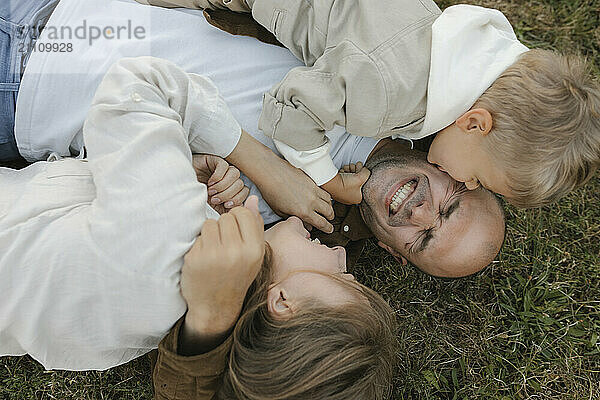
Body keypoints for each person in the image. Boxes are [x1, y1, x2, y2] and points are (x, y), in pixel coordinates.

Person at [2, 0, 505, 277]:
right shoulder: (405, 85)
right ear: (454, 172)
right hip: (61, 11)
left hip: (21, 102)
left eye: (422, 240)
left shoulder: (285, 232)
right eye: (450, 206)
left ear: (396, 253)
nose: (419, 214)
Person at [0, 57, 398, 400]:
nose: (341, 254)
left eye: (345, 279)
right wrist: (182, 181)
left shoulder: (170, 242)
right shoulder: (160, 320)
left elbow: (138, 85)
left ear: (283, 304)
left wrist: (194, 178)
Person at [139, 0, 600, 209]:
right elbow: (290, 111)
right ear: (475, 124)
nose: (467, 184)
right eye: (478, 177)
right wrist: (327, 177)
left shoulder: (465, 47)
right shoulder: (386, 96)